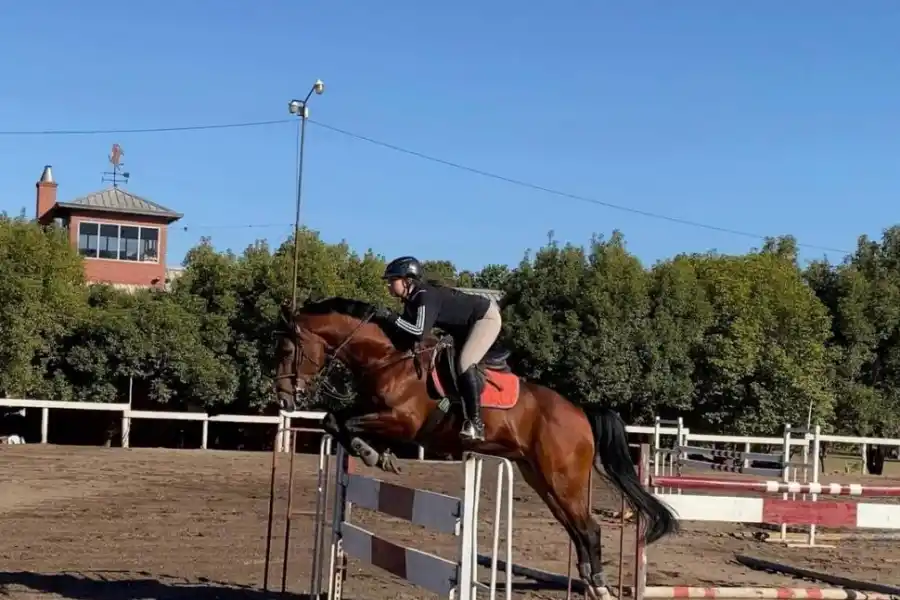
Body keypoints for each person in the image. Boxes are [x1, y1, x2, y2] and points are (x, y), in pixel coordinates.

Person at [375, 256, 502, 442]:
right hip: (464, 327)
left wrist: (390, 317)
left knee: (465, 362)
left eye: (392, 280)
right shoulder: (412, 299)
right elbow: (407, 333)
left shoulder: (424, 295)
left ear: (407, 280)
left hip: (485, 319)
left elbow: (418, 332)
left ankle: (476, 423)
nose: (388, 285)